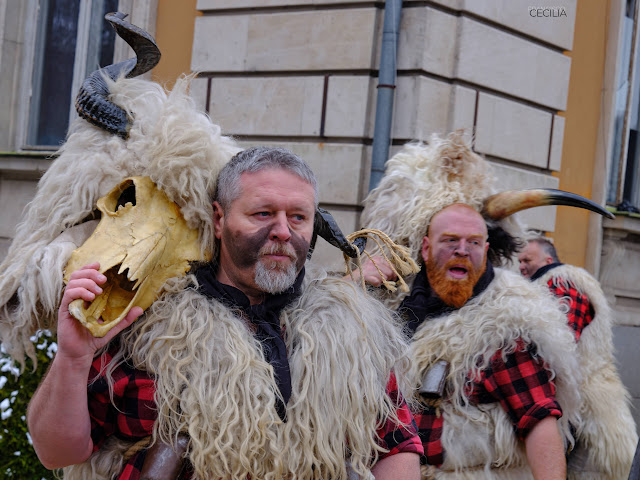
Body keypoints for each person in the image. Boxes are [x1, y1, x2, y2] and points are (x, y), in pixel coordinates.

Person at [26, 146, 423, 480]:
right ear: (219, 220)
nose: (283, 231)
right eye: (263, 214)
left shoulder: (352, 329)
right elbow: (57, 453)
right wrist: (74, 358)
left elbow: (397, 444)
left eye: (298, 217)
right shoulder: (144, 322)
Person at [352, 131, 618, 479]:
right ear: (425, 248)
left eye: (473, 242)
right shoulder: (389, 309)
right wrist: (353, 284)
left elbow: (539, 418)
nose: (462, 249)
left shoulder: (508, 325)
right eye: (450, 240)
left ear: (487, 249)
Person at [519, 236, 638, 479]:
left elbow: (560, 339)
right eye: (519, 260)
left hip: (574, 400)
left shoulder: (561, 281)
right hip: (568, 397)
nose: (521, 265)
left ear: (547, 260)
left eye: (527, 259)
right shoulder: (549, 284)